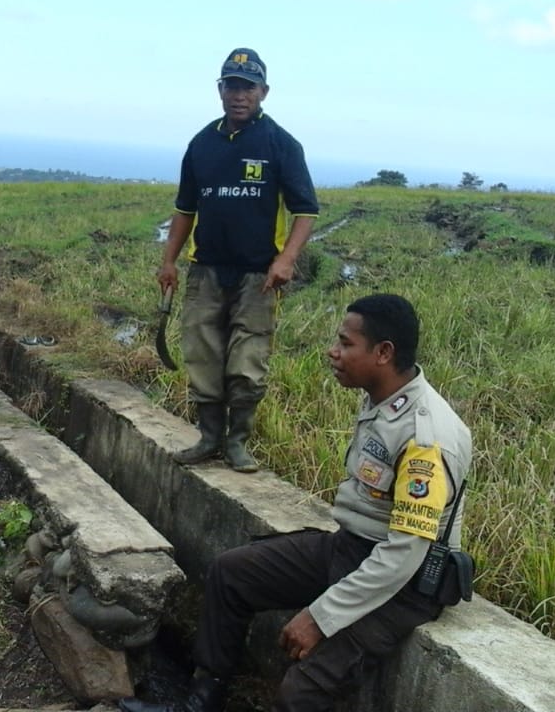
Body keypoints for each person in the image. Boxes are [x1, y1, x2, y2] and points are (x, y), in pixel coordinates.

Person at [119, 294, 473, 712]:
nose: (333, 351)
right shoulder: (382, 398)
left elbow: (403, 554)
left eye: (345, 343)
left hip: (402, 586)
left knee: (298, 693)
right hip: (353, 549)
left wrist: (321, 616)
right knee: (231, 574)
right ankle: (200, 703)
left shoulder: (426, 437)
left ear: (383, 353)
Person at [158, 48, 319, 473]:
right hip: (206, 270)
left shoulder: (281, 144)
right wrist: (168, 260)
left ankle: (237, 443)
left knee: (248, 360)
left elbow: (306, 212)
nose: (239, 94)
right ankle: (209, 438)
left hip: (257, 276)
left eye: (248, 86)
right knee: (202, 353)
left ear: (263, 91)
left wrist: (285, 260)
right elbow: (185, 209)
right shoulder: (201, 143)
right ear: (220, 90)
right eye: (232, 85)